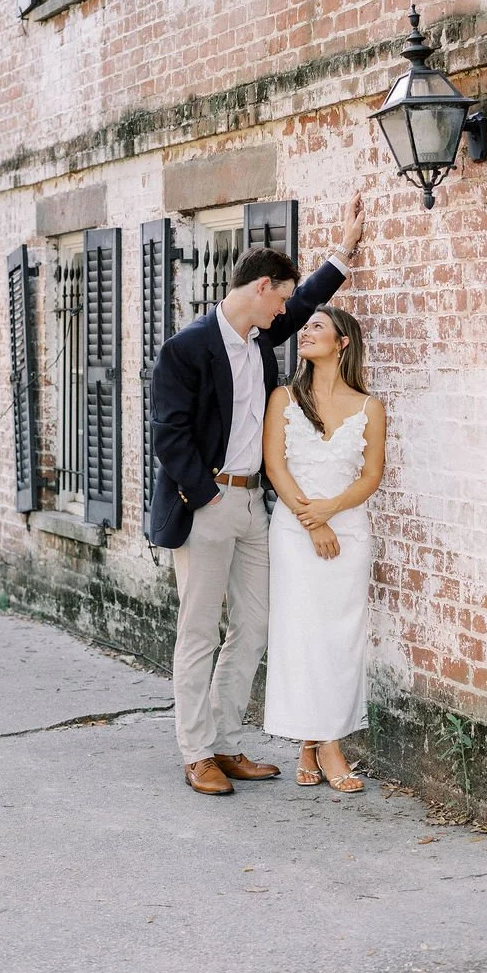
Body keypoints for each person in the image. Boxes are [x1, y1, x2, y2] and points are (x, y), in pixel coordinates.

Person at [150, 193, 365, 796]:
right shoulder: (187, 347)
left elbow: (308, 299)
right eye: (281, 298)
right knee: (199, 632)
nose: (286, 312)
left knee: (252, 627)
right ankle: (196, 753)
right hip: (207, 504)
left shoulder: (259, 341)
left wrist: (344, 251)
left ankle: (224, 742)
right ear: (262, 288)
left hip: (254, 507)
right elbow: (168, 434)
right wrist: (205, 495)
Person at [262, 305, 386, 793]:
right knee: (303, 634)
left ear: (342, 343)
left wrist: (331, 510)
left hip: (349, 530)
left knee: (340, 637)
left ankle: (315, 742)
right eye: (306, 327)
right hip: (295, 532)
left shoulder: (369, 407)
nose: (306, 332)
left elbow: (371, 476)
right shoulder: (284, 398)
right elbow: (275, 466)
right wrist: (312, 522)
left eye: (317, 327)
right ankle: (327, 743)